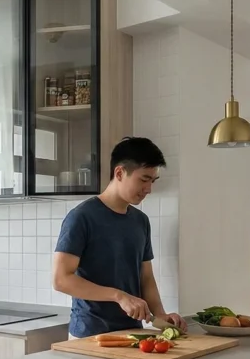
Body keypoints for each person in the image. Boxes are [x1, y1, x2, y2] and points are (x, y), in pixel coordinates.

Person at [53, 137, 185, 338]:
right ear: (119, 173)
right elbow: (61, 279)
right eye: (143, 179)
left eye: (152, 181)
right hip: (89, 335)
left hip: (132, 334)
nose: (149, 189)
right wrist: (118, 296)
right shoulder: (81, 217)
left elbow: (146, 278)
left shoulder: (141, 221)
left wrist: (160, 315)